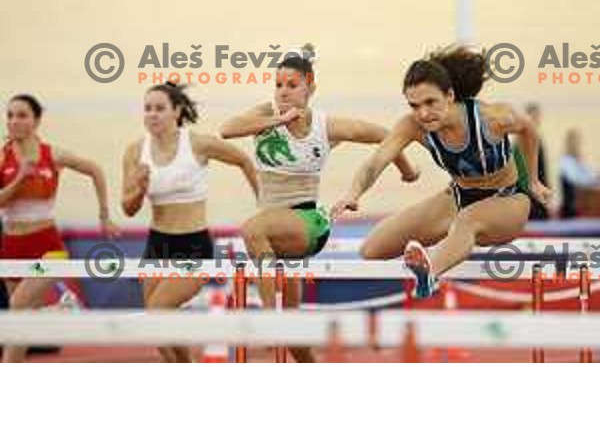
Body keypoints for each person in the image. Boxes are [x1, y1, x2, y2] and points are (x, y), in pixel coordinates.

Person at [220, 45, 419, 362]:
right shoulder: (263, 114)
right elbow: (226, 129)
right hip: (276, 235)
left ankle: (271, 321)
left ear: (310, 88)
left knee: (251, 230)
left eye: (292, 85)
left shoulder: (324, 126)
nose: (283, 91)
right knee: (294, 329)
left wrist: (406, 168)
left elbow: (383, 134)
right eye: (279, 85)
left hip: (308, 222)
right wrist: (276, 120)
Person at [331, 45, 552, 298]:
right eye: (414, 105)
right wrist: (353, 193)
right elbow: (376, 162)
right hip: (459, 198)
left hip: (508, 199)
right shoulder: (413, 126)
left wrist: (533, 180)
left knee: (467, 221)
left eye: (430, 102)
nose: (423, 113)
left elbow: (529, 130)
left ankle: (430, 275)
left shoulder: (491, 117)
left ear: (449, 96)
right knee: (372, 248)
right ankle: (450, 246)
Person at [122, 81, 258, 363]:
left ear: (177, 111)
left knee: (157, 312)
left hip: (193, 244)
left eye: (160, 108)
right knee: (156, 328)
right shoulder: (135, 152)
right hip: (158, 245)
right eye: (147, 109)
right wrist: (139, 188)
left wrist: (263, 203)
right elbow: (128, 209)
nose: (152, 115)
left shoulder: (197, 143)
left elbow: (244, 160)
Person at [0, 94, 119, 363]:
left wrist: (104, 215)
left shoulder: (52, 154)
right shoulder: (2, 157)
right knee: (18, 328)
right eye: (10, 115)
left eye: (21, 115)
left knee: (18, 309)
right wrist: (19, 178)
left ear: (36, 120)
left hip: (46, 249)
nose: (14, 121)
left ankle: (60, 312)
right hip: (11, 248)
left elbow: (95, 170)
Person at [559, 128, 600, 218]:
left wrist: (596, 176)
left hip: (581, 203)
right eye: (575, 142)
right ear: (569, 143)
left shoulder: (578, 160)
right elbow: (576, 179)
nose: (578, 145)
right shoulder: (565, 161)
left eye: (579, 142)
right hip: (571, 207)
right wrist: (593, 178)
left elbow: (589, 173)